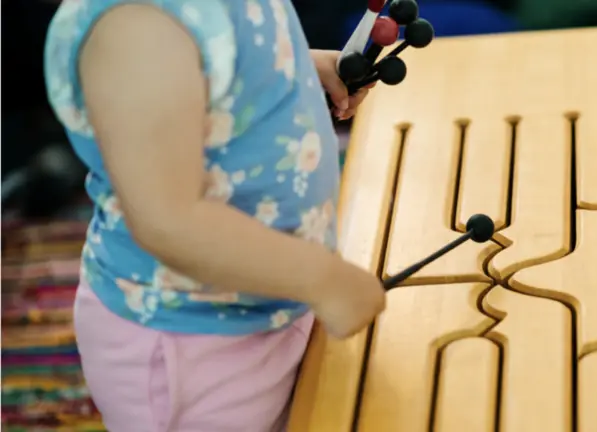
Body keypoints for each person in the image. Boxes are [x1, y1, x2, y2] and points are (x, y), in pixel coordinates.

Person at [43, 1, 386, 430]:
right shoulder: (138, 26)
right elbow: (168, 219)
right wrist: (322, 278)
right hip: (193, 338)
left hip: (269, 290)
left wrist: (294, 67)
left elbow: (226, 44)